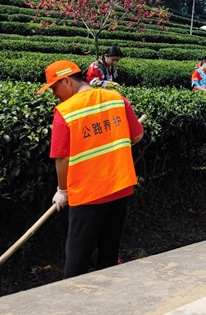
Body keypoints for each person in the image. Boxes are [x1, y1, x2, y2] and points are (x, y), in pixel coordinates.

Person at [37, 60, 144, 279]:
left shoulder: (65, 111)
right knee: (109, 253)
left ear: (67, 80)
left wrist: (62, 190)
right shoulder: (116, 98)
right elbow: (137, 136)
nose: (54, 95)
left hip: (88, 194)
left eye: (54, 88)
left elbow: (62, 158)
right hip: (119, 188)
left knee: (77, 259)